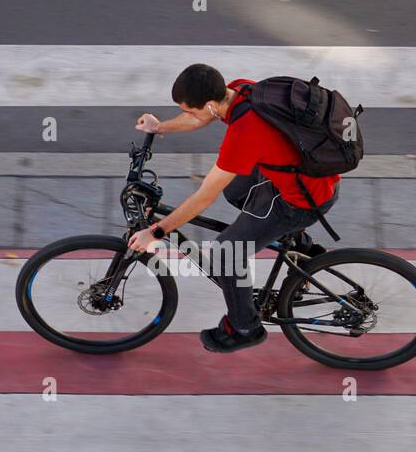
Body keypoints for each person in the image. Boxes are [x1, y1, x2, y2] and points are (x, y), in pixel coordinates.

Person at [128, 63, 340, 353]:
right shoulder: (241, 90)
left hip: (301, 199)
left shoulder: (244, 132)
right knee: (236, 188)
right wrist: (159, 126)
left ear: (212, 104)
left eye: (190, 109)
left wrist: (157, 230)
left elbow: (204, 197)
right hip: (301, 175)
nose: (189, 115)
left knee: (227, 252)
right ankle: (301, 248)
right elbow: (199, 119)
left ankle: (244, 327)